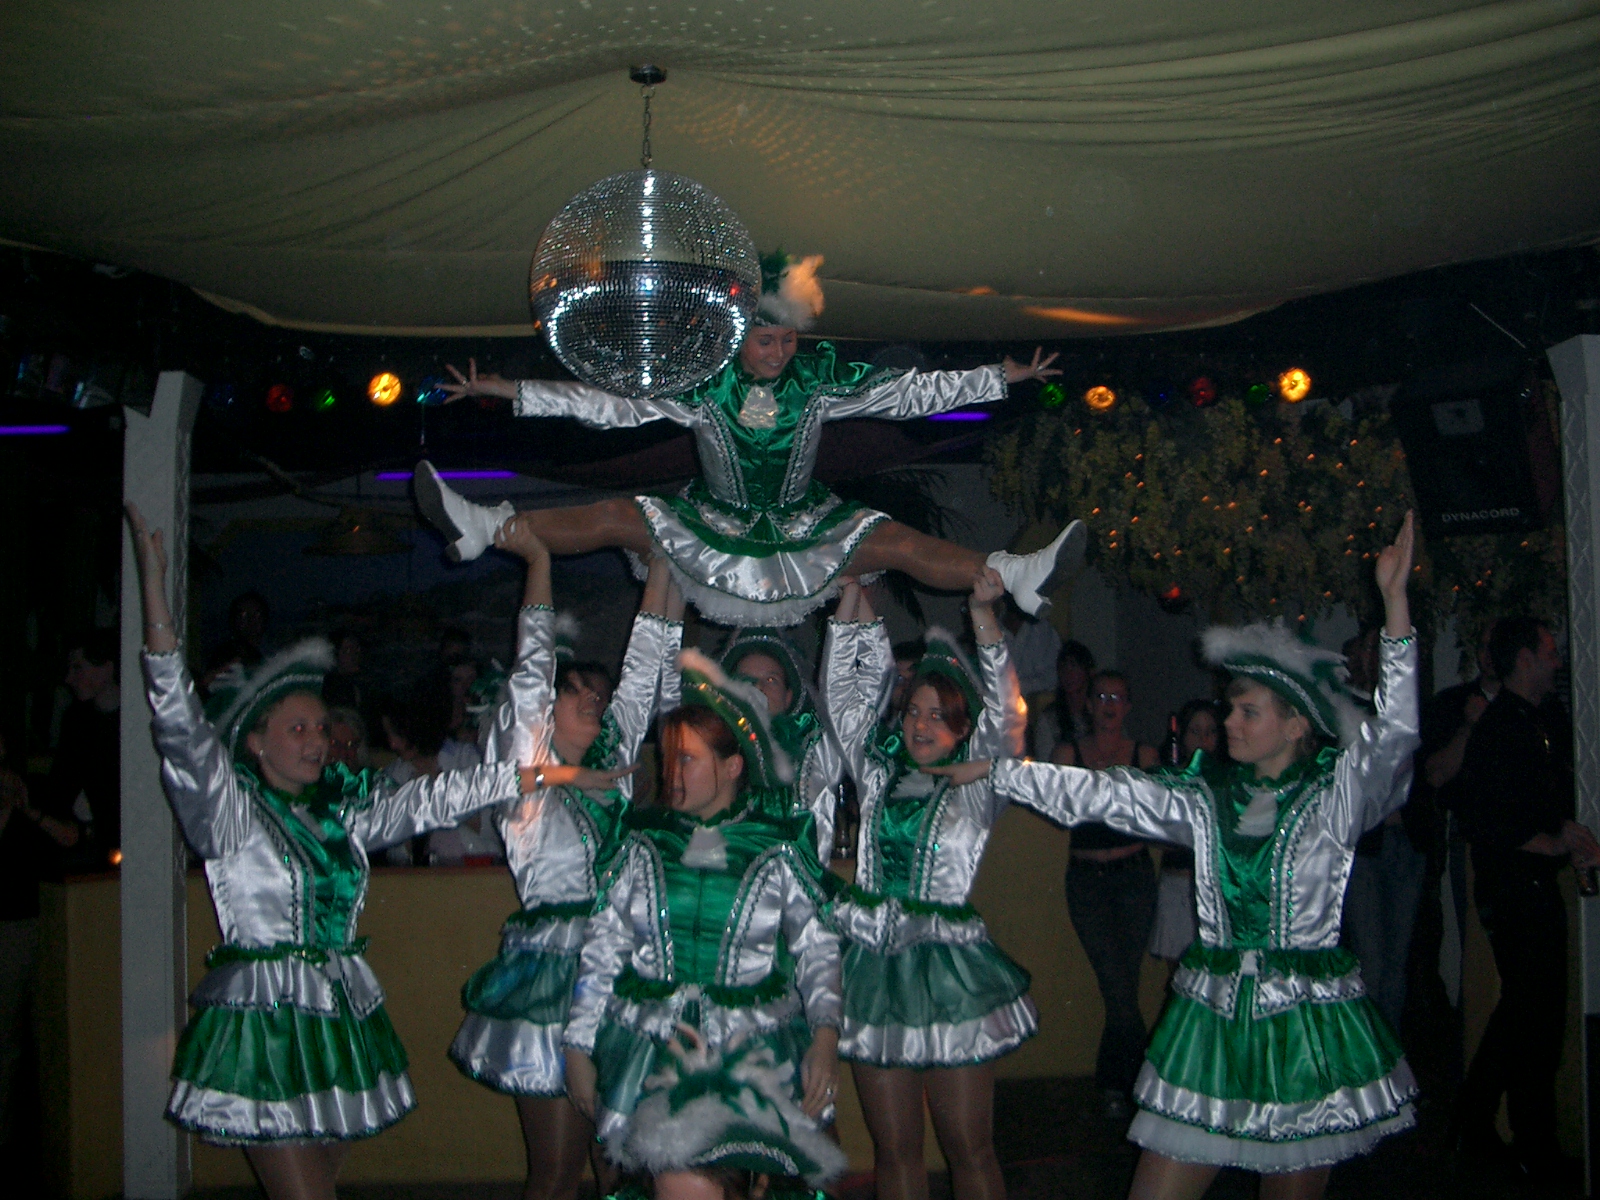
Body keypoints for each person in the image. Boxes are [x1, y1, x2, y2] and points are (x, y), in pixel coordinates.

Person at [124, 503, 628, 1200]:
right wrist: (156, 605)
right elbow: (180, 729)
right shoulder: (230, 814)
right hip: (264, 1023)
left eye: (320, 727)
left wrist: (552, 775)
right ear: (255, 743)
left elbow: (437, 798)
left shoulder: (343, 815)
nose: (315, 740)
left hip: (334, 1017)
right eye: (296, 728)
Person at [932, 513, 1423, 1198]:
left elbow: (1395, 735)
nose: (1228, 722)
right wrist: (999, 772)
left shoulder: (1334, 798)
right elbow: (1103, 792)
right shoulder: (1204, 797)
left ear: (1295, 724)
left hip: (1305, 1029)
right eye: (1229, 709)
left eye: (1247, 712)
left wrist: (1395, 604)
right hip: (1214, 1023)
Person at [415, 253, 1083, 627]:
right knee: (615, 516)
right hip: (712, 523)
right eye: (766, 340)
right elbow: (608, 406)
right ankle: (484, 525)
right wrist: (511, 391)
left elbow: (909, 392)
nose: (779, 352)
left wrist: (999, 378)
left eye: (789, 339)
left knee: (900, 542)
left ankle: (1015, 574)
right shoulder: (704, 383)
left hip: (805, 525)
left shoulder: (818, 379)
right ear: (738, 337)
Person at [449, 521, 682, 1200]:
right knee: (556, 1175)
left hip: (623, 967)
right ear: (543, 714)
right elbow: (530, 672)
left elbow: (643, 676)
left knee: (625, 1171)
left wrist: (661, 568)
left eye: (593, 693)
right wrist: (539, 561)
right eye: (574, 690)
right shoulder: (524, 789)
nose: (593, 699)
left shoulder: (614, 779)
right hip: (554, 981)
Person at [563, 651, 845, 1196]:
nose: (672, 773)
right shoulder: (642, 839)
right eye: (670, 759)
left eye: (688, 760)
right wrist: (578, 1045)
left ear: (733, 766)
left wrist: (826, 1035)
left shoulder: (777, 843)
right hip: (651, 1046)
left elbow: (817, 948)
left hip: (753, 1048)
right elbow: (603, 946)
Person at [822, 571, 1028, 1200]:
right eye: (913, 710)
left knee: (970, 1149)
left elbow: (1007, 718)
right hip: (875, 970)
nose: (919, 725)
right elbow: (844, 702)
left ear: (964, 727)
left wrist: (984, 618)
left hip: (948, 976)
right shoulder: (878, 774)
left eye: (938, 716)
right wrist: (852, 598)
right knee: (895, 1152)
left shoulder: (977, 784)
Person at [1454, 617, 1599, 1182]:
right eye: (1549, 652)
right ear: (1524, 660)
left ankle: (1479, 1123)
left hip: (1532, 883)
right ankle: (1531, 1143)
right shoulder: (1501, 729)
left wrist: (1566, 836)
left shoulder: (1543, 719)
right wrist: (1552, 842)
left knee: (1526, 1010)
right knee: (1534, 1015)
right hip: (1515, 886)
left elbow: (1543, 802)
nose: (1557, 662)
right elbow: (1489, 820)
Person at [1053, 669, 1160, 1117]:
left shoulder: (1144, 754)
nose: (1109, 705)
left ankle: (1117, 1083)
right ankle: (1146, 1080)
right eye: (1101, 697)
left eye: (1117, 697)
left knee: (1124, 985)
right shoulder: (1069, 753)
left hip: (1134, 876)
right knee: (1115, 983)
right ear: (1089, 704)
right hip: (1088, 881)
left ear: (1129, 705)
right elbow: (1058, 811)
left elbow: (1158, 814)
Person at [1338, 629, 1425, 1040]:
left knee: (1397, 961)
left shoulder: (1408, 710)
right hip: (1365, 849)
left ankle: (1389, 1053)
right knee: (1370, 959)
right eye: (1367, 650)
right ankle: (1368, 1052)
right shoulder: (1344, 709)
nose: (1372, 658)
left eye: (1378, 650)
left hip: (1407, 842)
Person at [0, 732, 77, 1153]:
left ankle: (50, 1141)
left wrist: (25, 808)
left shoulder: (33, 787)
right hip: (10, 928)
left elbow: (70, 836)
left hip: (42, 921)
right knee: (7, 1040)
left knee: (49, 1033)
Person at [721, 627, 843, 862]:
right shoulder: (706, 749)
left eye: (771, 680)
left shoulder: (816, 753)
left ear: (788, 697)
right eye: (745, 680)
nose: (758, 688)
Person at [1147, 700, 1223, 969]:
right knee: (1178, 973)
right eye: (1195, 731)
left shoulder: (1228, 779)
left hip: (1217, 890)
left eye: (1211, 732)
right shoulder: (1171, 777)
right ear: (1181, 734)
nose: (1203, 739)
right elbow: (1155, 832)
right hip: (1178, 883)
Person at [49, 631, 117, 867]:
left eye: (78, 668)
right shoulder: (77, 721)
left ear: (107, 668)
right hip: (97, 843)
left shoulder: (137, 721)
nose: (70, 678)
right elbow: (61, 787)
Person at [1029, 640, 1095, 761]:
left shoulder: (1101, 713)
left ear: (1089, 671)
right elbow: (1045, 762)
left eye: (1073, 666)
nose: (1068, 673)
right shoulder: (1049, 719)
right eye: (1063, 667)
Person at [322, 629, 364, 712]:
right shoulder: (331, 687)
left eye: (356, 649)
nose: (353, 655)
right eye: (347, 651)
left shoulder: (368, 682)